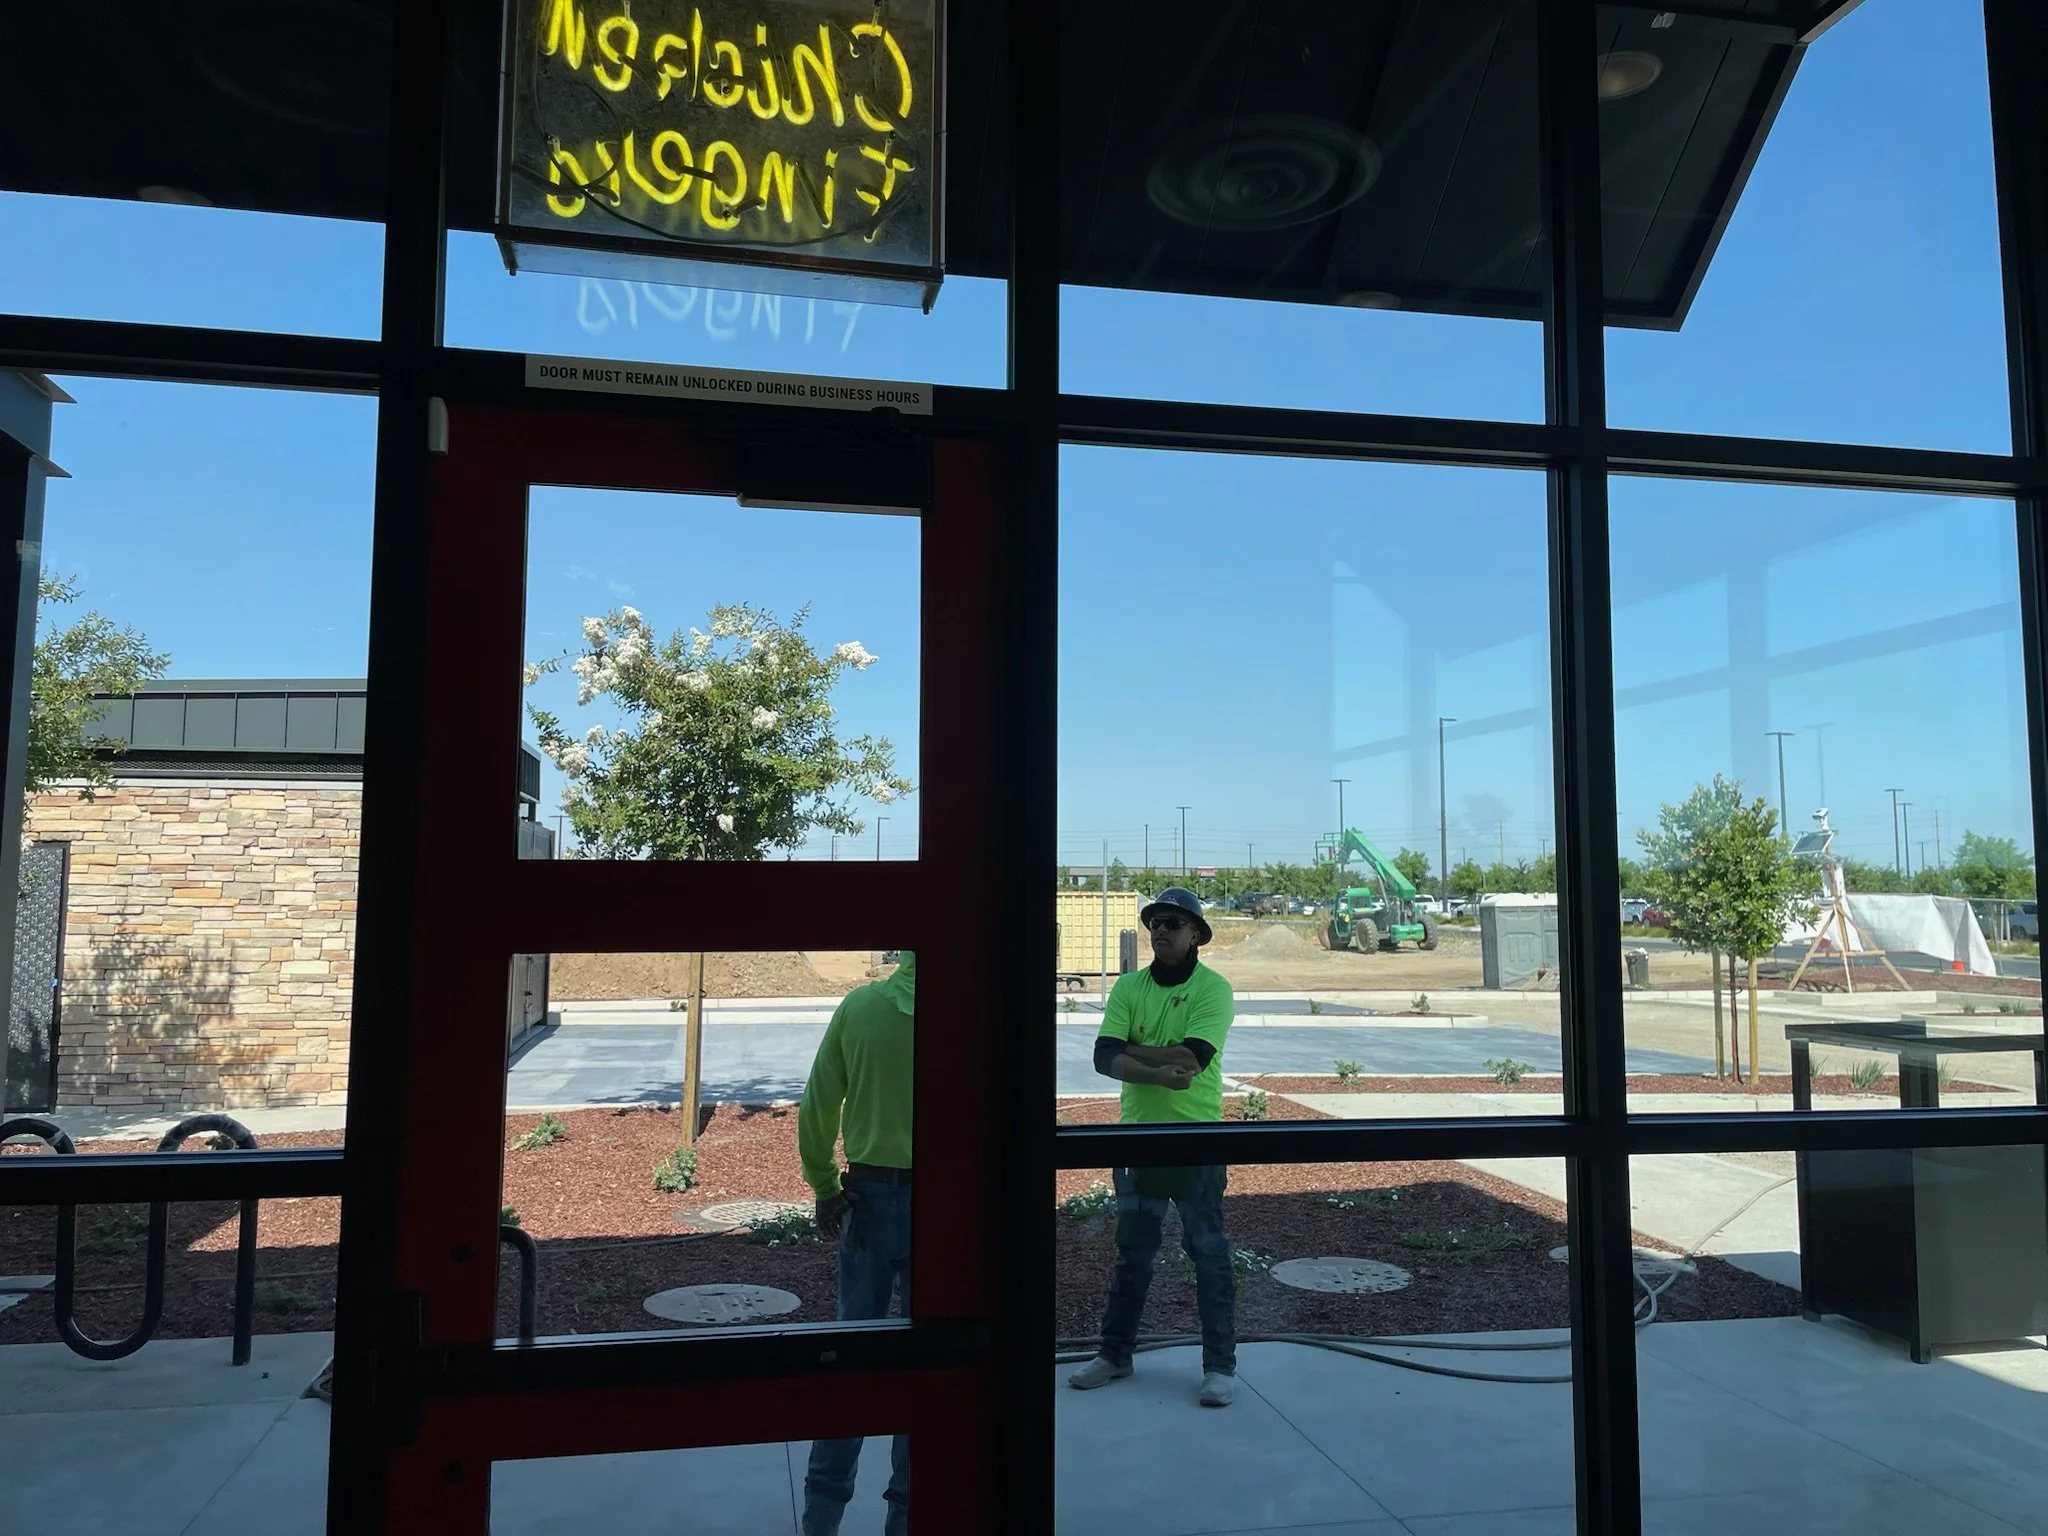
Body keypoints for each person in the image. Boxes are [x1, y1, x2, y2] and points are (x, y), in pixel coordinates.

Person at [1068, 888, 1238, 1407]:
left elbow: (1194, 1055)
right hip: (1137, 1140)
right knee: (1132, 1255)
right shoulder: (1129, 989)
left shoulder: (1214, 990)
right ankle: (1115, 1355)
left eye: (1173, 923)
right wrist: (1161, 1075)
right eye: (1155, 922)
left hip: (1195, 1142)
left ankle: (1220, 1368)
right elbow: (1103, 1058)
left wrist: (1133, 1052)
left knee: (1208, 1255)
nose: (1161, 930)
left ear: (1196, 935)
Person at [797, 951, 916, 1536]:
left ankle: (822, 1516)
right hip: (946, 1205)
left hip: (869, 1197)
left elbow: (819, 1102)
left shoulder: (861, 1007)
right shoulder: (968, 1012)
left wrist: (823, 1184)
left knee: (854, 1356)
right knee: (930, 1365)